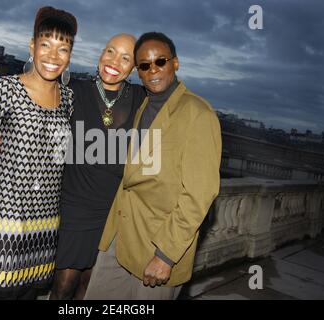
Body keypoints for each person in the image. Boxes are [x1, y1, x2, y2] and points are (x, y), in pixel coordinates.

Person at [84, 32, 222, 300]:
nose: (153, 70)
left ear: (176, 63)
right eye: (144, 65)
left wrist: (166, 256)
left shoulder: (199, 114)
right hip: (119, 239)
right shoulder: (144, 106)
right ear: (138, 71)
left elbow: (199, 195)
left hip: (158, 247)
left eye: (160, 61)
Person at [0, 6, 77, 300]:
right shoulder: (4, 90)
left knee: (30, 294)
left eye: (63, 49)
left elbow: (63, 156)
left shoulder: (68, 99)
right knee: (0, 294)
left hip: (46, 220)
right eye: (46, 45)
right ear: (32, 47)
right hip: (5, 215)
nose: (53, 57)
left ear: (70, 56)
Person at [50, 34, 146, 300]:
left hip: (113, 211)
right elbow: (43, 122)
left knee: (92, 287)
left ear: (134, 68)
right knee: (63, 286)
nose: (114, 61)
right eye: (110, 51)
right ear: (100, 53)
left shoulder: (141, 99)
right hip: (75, 205)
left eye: (125, 58)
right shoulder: (73, 91)